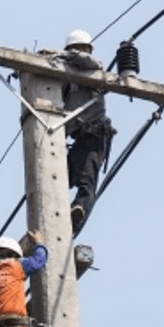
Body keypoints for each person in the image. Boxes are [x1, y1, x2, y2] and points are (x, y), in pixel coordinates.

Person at [60, 29, 116, 233]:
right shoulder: (67, 78)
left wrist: (60, 55)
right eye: (76, 48)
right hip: (78, 140)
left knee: (87, 182)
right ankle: (59, 214)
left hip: (94, 137)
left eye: (83, 48)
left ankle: (78, 212)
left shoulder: (94, 69)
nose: (80, 51)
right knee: (58, 177)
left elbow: (85, 61)